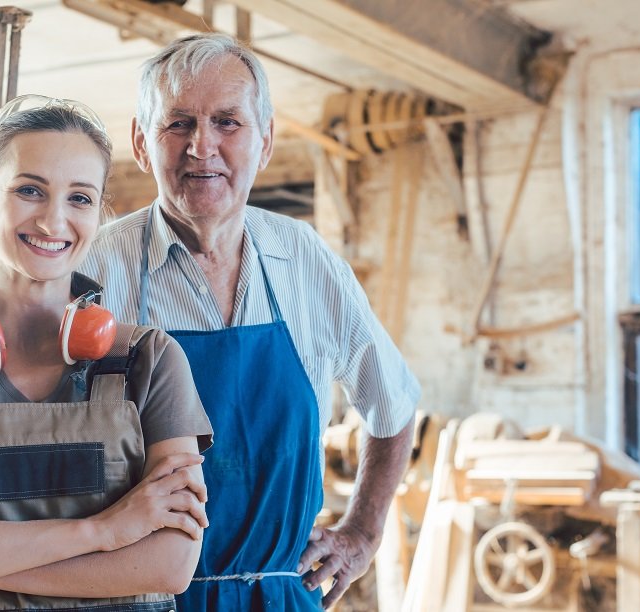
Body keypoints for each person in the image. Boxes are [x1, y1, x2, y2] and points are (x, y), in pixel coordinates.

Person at [77, 34, 421, 610]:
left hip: (278, 596)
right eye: (178, 124)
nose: (201, 146)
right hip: (132, 600)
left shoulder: (305, 258)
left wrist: (363, 533)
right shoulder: (91, 270)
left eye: (228, 123)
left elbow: (394, 404)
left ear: (264, 141)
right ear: (141, 142)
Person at [0, 95, 214, 611]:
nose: (53, 221)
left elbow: (168, 565)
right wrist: (108, 530)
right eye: (29, 190)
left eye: (80, 198)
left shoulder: (149, 361)